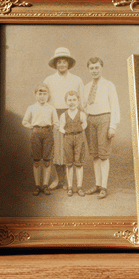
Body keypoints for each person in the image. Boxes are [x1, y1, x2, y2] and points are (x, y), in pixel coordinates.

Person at [81, 57, 121, 199]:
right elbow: (84, 106)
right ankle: (97, 185)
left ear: (101, 68)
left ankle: (104, 186)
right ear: (89, 70)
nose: (94, 71)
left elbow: (115, 105)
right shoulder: (86, 87)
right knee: (95, 154)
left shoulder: (109, 85)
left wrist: (113, 126)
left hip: (104, 119)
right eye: (91, 68)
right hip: (90, 120)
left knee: (103, 155)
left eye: (97, 67)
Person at [43, 48, 83, 189]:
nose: (61, 65)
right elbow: (44, 101)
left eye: (64, 62)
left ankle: (68, 181)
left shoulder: (77, 80)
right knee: (56, 150)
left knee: (69, 148)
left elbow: (81, 102)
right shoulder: (49, 80)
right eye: (59, 62)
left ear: (68, 63)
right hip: (54, 115)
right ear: (55, 64)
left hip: (71, 115)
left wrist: (81, 118)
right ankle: (58, 180)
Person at [22, 85, 58, 196]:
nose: (42, 96)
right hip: (35, 133)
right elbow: (24, 121)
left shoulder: (51, 108)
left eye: (44, 94)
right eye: (40, 94)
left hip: (48, 133)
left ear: (48, 95)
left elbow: (56, 122)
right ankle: (38, 186)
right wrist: (33, 127)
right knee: (36, 161)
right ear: (35, 95)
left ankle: (45, 186)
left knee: (47, 160)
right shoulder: (31, 108)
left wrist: (58, 127)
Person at [59, 90, 89, 196]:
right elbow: (60, 127)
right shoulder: (63, 115)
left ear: (78, 101)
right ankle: (70, 187)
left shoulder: (81, 114)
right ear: (66, 101)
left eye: (74, 100)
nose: (72, 102)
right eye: (69, 100)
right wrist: (66, 132)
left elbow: (85, 124)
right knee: (69, 163)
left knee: (79, 163)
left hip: (79, 138)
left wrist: (79, 129)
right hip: (68, 138)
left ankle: (79, 187)